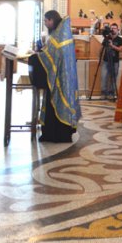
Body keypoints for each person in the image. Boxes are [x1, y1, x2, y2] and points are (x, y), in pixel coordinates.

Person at [30, 10, 81, 143]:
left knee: (55, 102)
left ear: (52, 20)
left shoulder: (58, 36)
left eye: (46, 21)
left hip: (59, 77)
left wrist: (34, 57)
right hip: (63, 76)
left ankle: (55, 134)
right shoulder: (62, 33)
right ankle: (58, 133)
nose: (45, 24)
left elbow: (49, 56)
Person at [100, 23, 122, 100]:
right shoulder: (107, 38)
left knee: (113, 77)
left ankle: (111, 93)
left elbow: (121, 49)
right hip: (106, 60)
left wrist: (112, 46)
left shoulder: (120, 39)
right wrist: (99, 58)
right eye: (112, 28)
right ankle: (103, 93)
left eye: (115, 28)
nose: (113, 29)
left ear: (117, 30)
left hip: (115, 61)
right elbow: (101, 48)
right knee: (104, 77)